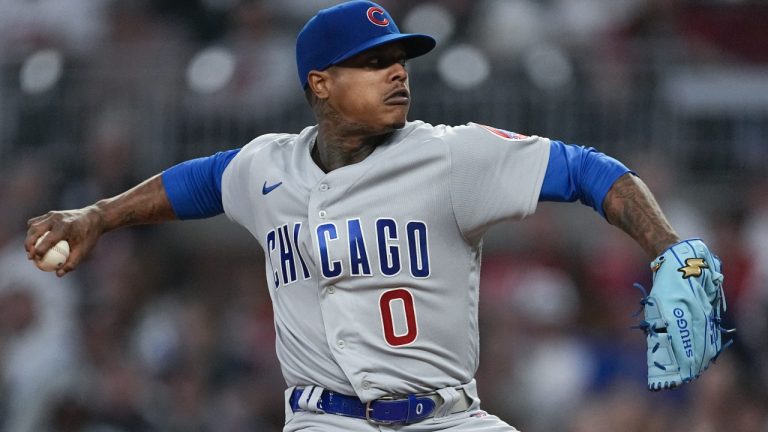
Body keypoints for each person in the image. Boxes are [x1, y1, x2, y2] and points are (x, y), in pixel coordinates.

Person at [26, 1, 707, 430]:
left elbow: (588, 170)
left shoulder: (451, 156)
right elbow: (193, 184)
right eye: (373, 62)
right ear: (319, 83)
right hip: (325, 422)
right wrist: (99, 214)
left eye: (400, 60)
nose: (398, 73)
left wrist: (667, 245)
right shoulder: (268, 167)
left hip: (447, 419)